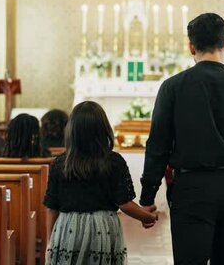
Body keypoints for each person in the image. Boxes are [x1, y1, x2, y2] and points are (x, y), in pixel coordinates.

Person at [140, 13, 224, 264]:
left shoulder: (172, 88)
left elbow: (158, 146)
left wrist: (148, 198)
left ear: (191, 47)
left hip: (191, 188)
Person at [44, 101, 158, 264]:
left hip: (68, 229)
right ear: (103, 129)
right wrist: (146, 216)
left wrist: (51, 240)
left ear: (71, 131)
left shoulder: (60, 163)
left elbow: (52, 206)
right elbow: (124, 203)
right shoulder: (113, 161)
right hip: (101, 229)